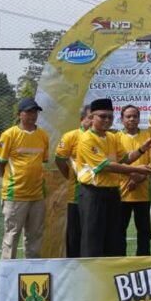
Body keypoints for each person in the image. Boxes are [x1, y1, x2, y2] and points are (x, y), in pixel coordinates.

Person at [77, 98, 151, 257]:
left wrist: (142, 150)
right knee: (93, 239)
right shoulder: (87, 139)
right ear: (91, 118)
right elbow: (105, 166)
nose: (106, 120)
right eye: (102, 116)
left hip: (113, 193)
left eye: (110, 117)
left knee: (113, 238)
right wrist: (136, 169)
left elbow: (124, 158)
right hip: (93, 194)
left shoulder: (111, 137)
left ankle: (112, 276)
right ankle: (93, 277)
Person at [0, 99, 49, 259]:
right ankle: (8, 271)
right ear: (19, 114)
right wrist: (8, 183)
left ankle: (31, 269)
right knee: (11, 235)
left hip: (38, 194)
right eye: (29, 112)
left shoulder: (43, 135)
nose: (33, 115)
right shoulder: (9, 135)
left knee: (35, 236)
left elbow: (43, 161)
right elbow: (1, 163)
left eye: (35, 112)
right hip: (15, 195)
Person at [55, 105, 90, 258]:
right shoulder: (70, 136)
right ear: (82, 119)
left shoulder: (105, 137)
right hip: (76, 196)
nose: (94, 120)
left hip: (98, 195)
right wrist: (70, 175)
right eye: (91, 117)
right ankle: (73, 269)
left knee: (92, 235)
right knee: (74, 236)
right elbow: (60, 160)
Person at [117, 105, 151, 256]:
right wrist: (132, 174)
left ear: (139, 118)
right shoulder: (115, 138)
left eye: (135, 116)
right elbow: (115, 162)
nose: (132, 119)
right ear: (122, 119)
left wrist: (139, 177)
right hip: (120, 193)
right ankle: (120, 262)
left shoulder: (149, 137)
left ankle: (143, 262)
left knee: (144, 231)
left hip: (143, 193)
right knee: (119, 231)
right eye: (128, 116)